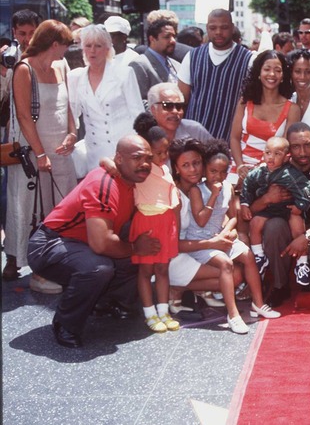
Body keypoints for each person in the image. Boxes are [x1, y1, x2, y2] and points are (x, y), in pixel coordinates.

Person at [27, 135, 161, 348]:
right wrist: (136, 247)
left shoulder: (134, 178)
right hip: (51, 243)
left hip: (82, 243)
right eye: (137, 158)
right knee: (98, 268)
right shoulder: (104, 183)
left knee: (140, 254)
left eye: (148, 158)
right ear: (119, 158)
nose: (144, 164)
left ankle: (106, 302)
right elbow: (101, 244)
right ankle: (65, 323)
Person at [167, 138, 279, 322]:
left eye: (196, 163)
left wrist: (228, 231)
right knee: (228, 267)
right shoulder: (177, 195)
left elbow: (225, 215)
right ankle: (229, 313)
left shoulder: (218, 187)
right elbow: (180, 239)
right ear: (176, 168)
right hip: (178, 253)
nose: (193, 169)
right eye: (186, 165)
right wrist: (214, 242)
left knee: (240, 266)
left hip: (203, 242)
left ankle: (257, 304)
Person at [5, 20, 79, 291]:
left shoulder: (62, 65)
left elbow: (69, 105)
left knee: (63, 207)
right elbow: (24, 116)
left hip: (62, 149)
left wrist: (73, 134)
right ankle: (31, 266)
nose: (67, 50)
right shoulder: (24, 69)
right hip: (34, 151)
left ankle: (61, 263)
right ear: (54, 43)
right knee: (33, 208)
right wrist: (40, 154)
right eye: (65, 45)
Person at [253, 123, 310, 306]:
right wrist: (267, 198)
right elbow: (251, 209)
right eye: (296, 147)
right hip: (285, 232)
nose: (302, 152)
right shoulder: (274, 169)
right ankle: (280, 285)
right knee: (273, 227)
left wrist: (306, 237)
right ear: (287, 149)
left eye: (307, 145)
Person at [68, 24, 145, 175]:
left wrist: (138, 150)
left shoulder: (124, 73)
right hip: (95, 151)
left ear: (108, 48)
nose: (92, 50)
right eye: (88, 45)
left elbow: (138, 114)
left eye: (98, 46)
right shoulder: (75, 77)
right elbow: (72, 114)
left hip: (123, 149)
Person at [127, 127, 180, 333]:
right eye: (158, 153)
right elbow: (113, 165)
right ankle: (150, 314)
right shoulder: (141, 169)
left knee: (162, 269)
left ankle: (163, 311)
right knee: (146, 270)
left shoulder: (166, 169)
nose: (163, 156)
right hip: (147, 222)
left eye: (165, 152)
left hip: (166, 222)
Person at [240, 136, 310, 283]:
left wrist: (300, 206)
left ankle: (302, 263)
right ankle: (259, 256)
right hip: (269, 208)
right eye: (268, 153)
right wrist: (245, 204)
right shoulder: (258, 172)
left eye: (277, 154)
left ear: (286, 158)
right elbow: (247, 186)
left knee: (297, 225)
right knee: (255, 223)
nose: (271, 158)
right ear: (263, 154)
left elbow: (305, 188)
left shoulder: (290, 174)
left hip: (287, 208)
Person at [1, 10, 40, 282]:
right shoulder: (9, 58)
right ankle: (13, 258)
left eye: (31, 33)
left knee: (44, 201)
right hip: (16, 138)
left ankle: (44, 257)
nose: (26, 39)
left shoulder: (48, 57)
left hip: (43, 135)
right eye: (21, 33)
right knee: (16, 199)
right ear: (14, 32)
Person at [179, 9, 254, 143]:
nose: (218, 32)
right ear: (207, 28)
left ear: (232, 28)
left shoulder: (249, 59)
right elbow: (181, 99)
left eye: (224, 27)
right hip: (192, 140)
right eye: (213, 28)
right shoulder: (192, 56)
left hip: (227, 140)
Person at [230, 50, 301, 177]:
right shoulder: (245, 102)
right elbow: (234, 138)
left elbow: (284, 149)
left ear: (283, 75)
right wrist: (240, 165)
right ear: (259, 73)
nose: (272, 74)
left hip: (270, 171)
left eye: (278, 70)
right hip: (239, 167)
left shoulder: (292, 109)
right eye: (267, 69)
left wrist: (259, 173)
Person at [129, 19, 181, 103]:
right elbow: (137, 101)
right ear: (152, 39)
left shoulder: (177, 65)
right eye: (167, 37)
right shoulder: (140, 65)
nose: (173, 41)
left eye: (174, 36)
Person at [146, 82, 212, 144]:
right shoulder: (144, 138)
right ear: (153, 109)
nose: (175, 111)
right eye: (168, 106)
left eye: (178, 106)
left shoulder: (195, 131)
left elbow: (218, 154)